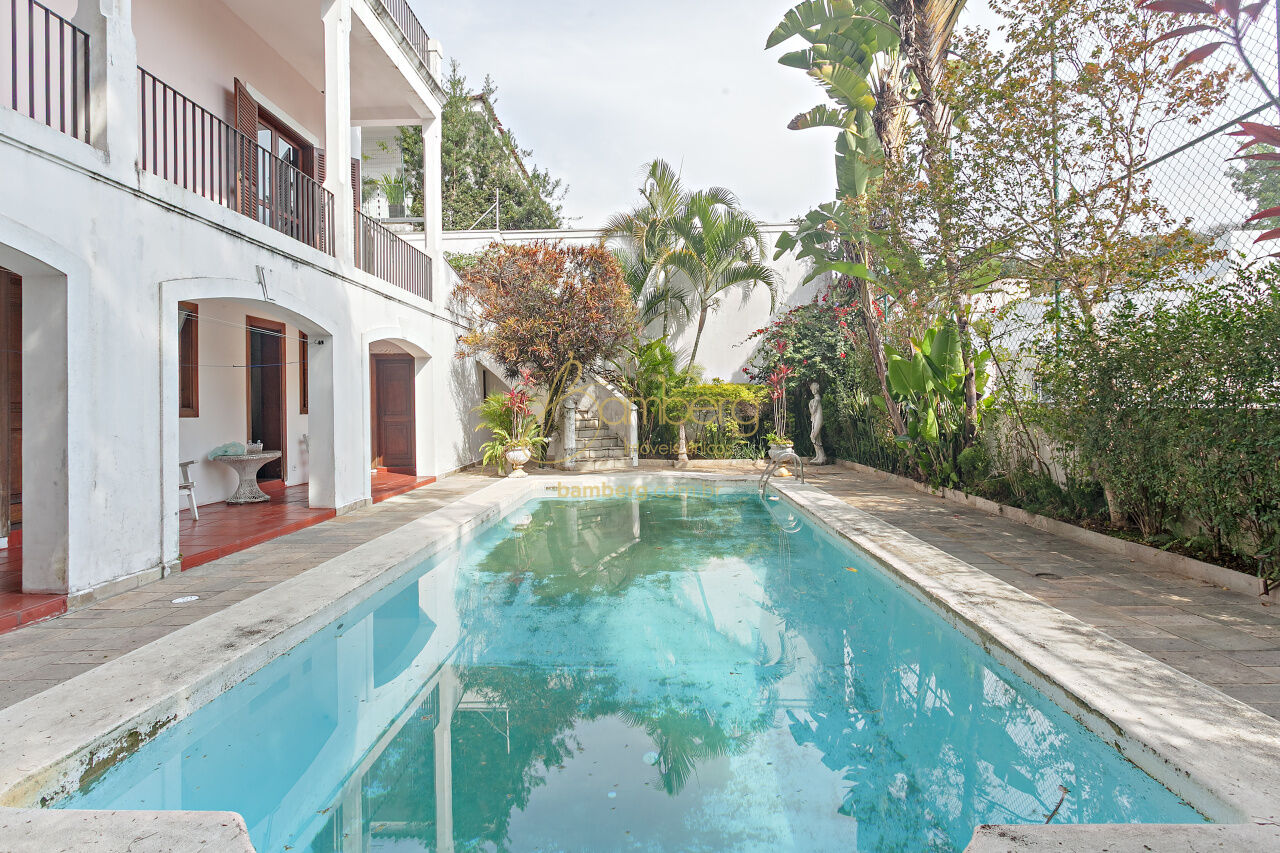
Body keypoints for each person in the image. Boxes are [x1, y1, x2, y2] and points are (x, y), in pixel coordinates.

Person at [809, 382, 826, 465]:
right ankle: (818, 456)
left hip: (818, 419)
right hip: (816, 418)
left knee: (813, 436)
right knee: (817, 438)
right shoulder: (815, 399)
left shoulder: (816, 399)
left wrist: (810, 404)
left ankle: (822, 456)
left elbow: (812, 411)